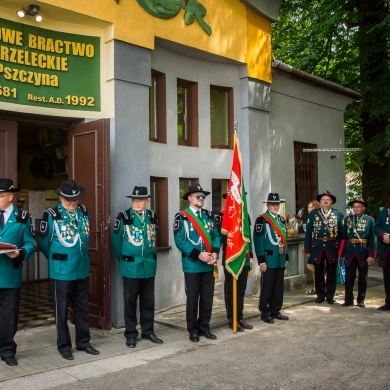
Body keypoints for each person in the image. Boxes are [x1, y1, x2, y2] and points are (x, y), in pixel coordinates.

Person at [39, 180, 99, 360]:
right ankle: (64, 345)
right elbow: (43, 243)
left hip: (81, 268)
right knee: (62, 309)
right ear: (60, 197)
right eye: (69, 200)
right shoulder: (51, 214)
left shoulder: (83, 212)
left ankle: (83, 342)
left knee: (81, 307)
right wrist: (58, 259)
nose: (73, 203)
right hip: (61, 270)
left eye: (75, 199)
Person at [112, 186, 162, 348]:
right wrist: (125, 259)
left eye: (140, 200)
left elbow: (154, 238)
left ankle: (148, 331)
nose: (137, 203)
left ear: (147, 201)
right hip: (131, 267)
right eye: (135, 200)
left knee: (148, 301)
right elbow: (116, 242)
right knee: (130, 301)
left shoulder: (152, 216)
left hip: (148, 266)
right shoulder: (124, 217)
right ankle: (131, 334)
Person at [173, 184, 221, 342]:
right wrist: (198, 254)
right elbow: (180, 240)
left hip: (208, 263)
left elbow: (216, 235)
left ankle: (204, 327)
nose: (201, 199)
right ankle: (192, 329)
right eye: (198, 196)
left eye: (203, 196)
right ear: (189, 198)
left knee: (207, 297)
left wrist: (215, 252)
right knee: (193, 298)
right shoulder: (181, 216)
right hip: (192, 264)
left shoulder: (208, 215)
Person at [0, 178, 36, 366]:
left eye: (1, 195)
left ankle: (7, 350)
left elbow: (31, 244)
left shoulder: (22, 218)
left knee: (9, 314)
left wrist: (20, 253)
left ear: (10, 197)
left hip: (9, 272)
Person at [253, 193, 289, 324]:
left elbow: (285, 239)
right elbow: (258, 241)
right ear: (267, 205)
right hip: (268, 259)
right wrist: (261, 260)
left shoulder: (281, 219)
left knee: (278, 286)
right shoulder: (262, 220)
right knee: (267, 286)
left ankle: (276, 310)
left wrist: (286, 255)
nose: (275, 206)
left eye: (277, 204)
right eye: (272, 204)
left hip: (279, 258)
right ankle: (265, 311)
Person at [220, 193, 253, 332]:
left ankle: (239, 316)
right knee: (230, 291)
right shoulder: (223, 215)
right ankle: (231, 318)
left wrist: (250, 255)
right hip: (231, 258)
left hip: (244, 259)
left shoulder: (245, 216)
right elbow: (221, 238)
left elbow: (248, 237)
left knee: (240, 291)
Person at [304, 190, 343, 304]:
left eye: (328, 200)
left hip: (332, 246)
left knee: (332, 271)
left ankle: (330, 296)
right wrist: (308, 248)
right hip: (318, 245)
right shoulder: (314, 213)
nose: (325, 201)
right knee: (318, 271)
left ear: (331, 202)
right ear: (320, 202)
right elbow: (308, 232)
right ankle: (320, 295)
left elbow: (342, 233)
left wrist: (341, 249)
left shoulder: (338, 213)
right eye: (323, 200)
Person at [338, 197, 376, 308]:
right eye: (354, 207)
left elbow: (373, 238)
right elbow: (343, 237)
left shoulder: (369, 220)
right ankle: (348, 299)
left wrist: (371, 255)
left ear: (363, 208)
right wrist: (341, 253)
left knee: (363, 277)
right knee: (349, 276)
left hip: (363, 250)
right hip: (350, 251)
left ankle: (361, 300)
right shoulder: (348, 219)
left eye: (359, 206)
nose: (356, 209)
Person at [374, 192, 390, 310]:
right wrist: (383, 234)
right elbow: (377, 226)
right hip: (386, 250)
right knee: (387, 277)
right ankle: (388, 302)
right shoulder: (384, 212)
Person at [303, 200, 320, 295]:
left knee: (313, 266)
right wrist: (306, 246)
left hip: (316, 246)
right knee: (312, 266)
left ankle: (321, 283)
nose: (309, 209)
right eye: (308, 207)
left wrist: (308, 246)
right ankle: (316, 287)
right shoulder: (310, 217)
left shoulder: (316, 217)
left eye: (311, 207)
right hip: (312, 245)